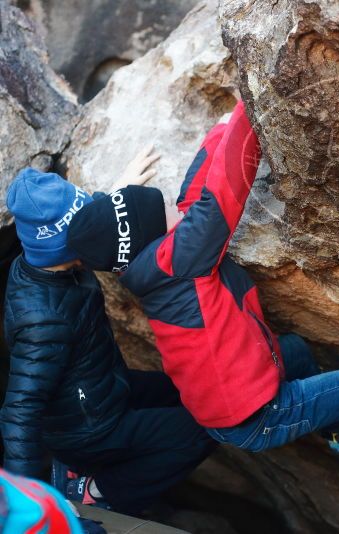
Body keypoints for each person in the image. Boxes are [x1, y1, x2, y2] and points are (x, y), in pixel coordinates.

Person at [66, 100, 339, 532]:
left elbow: (193, 196)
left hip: (227, 404)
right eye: (162, 208)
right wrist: (251, 109)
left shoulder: (147, 265)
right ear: (150, 234)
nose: (175, 208)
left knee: (293, 349)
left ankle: (338, 426)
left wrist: (220, 129)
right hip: (258, 414)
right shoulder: (178, 259)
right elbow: (221, 195)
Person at [1, 160, 216, 516]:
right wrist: (23, 505)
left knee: (197, 389)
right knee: (208, 427)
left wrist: (115, 195)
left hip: (105, 386)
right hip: (89, 429)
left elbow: (80, 227)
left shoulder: (44, 260)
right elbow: (19, 411)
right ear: (66, 244)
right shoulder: (41, 320)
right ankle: (96, 490)